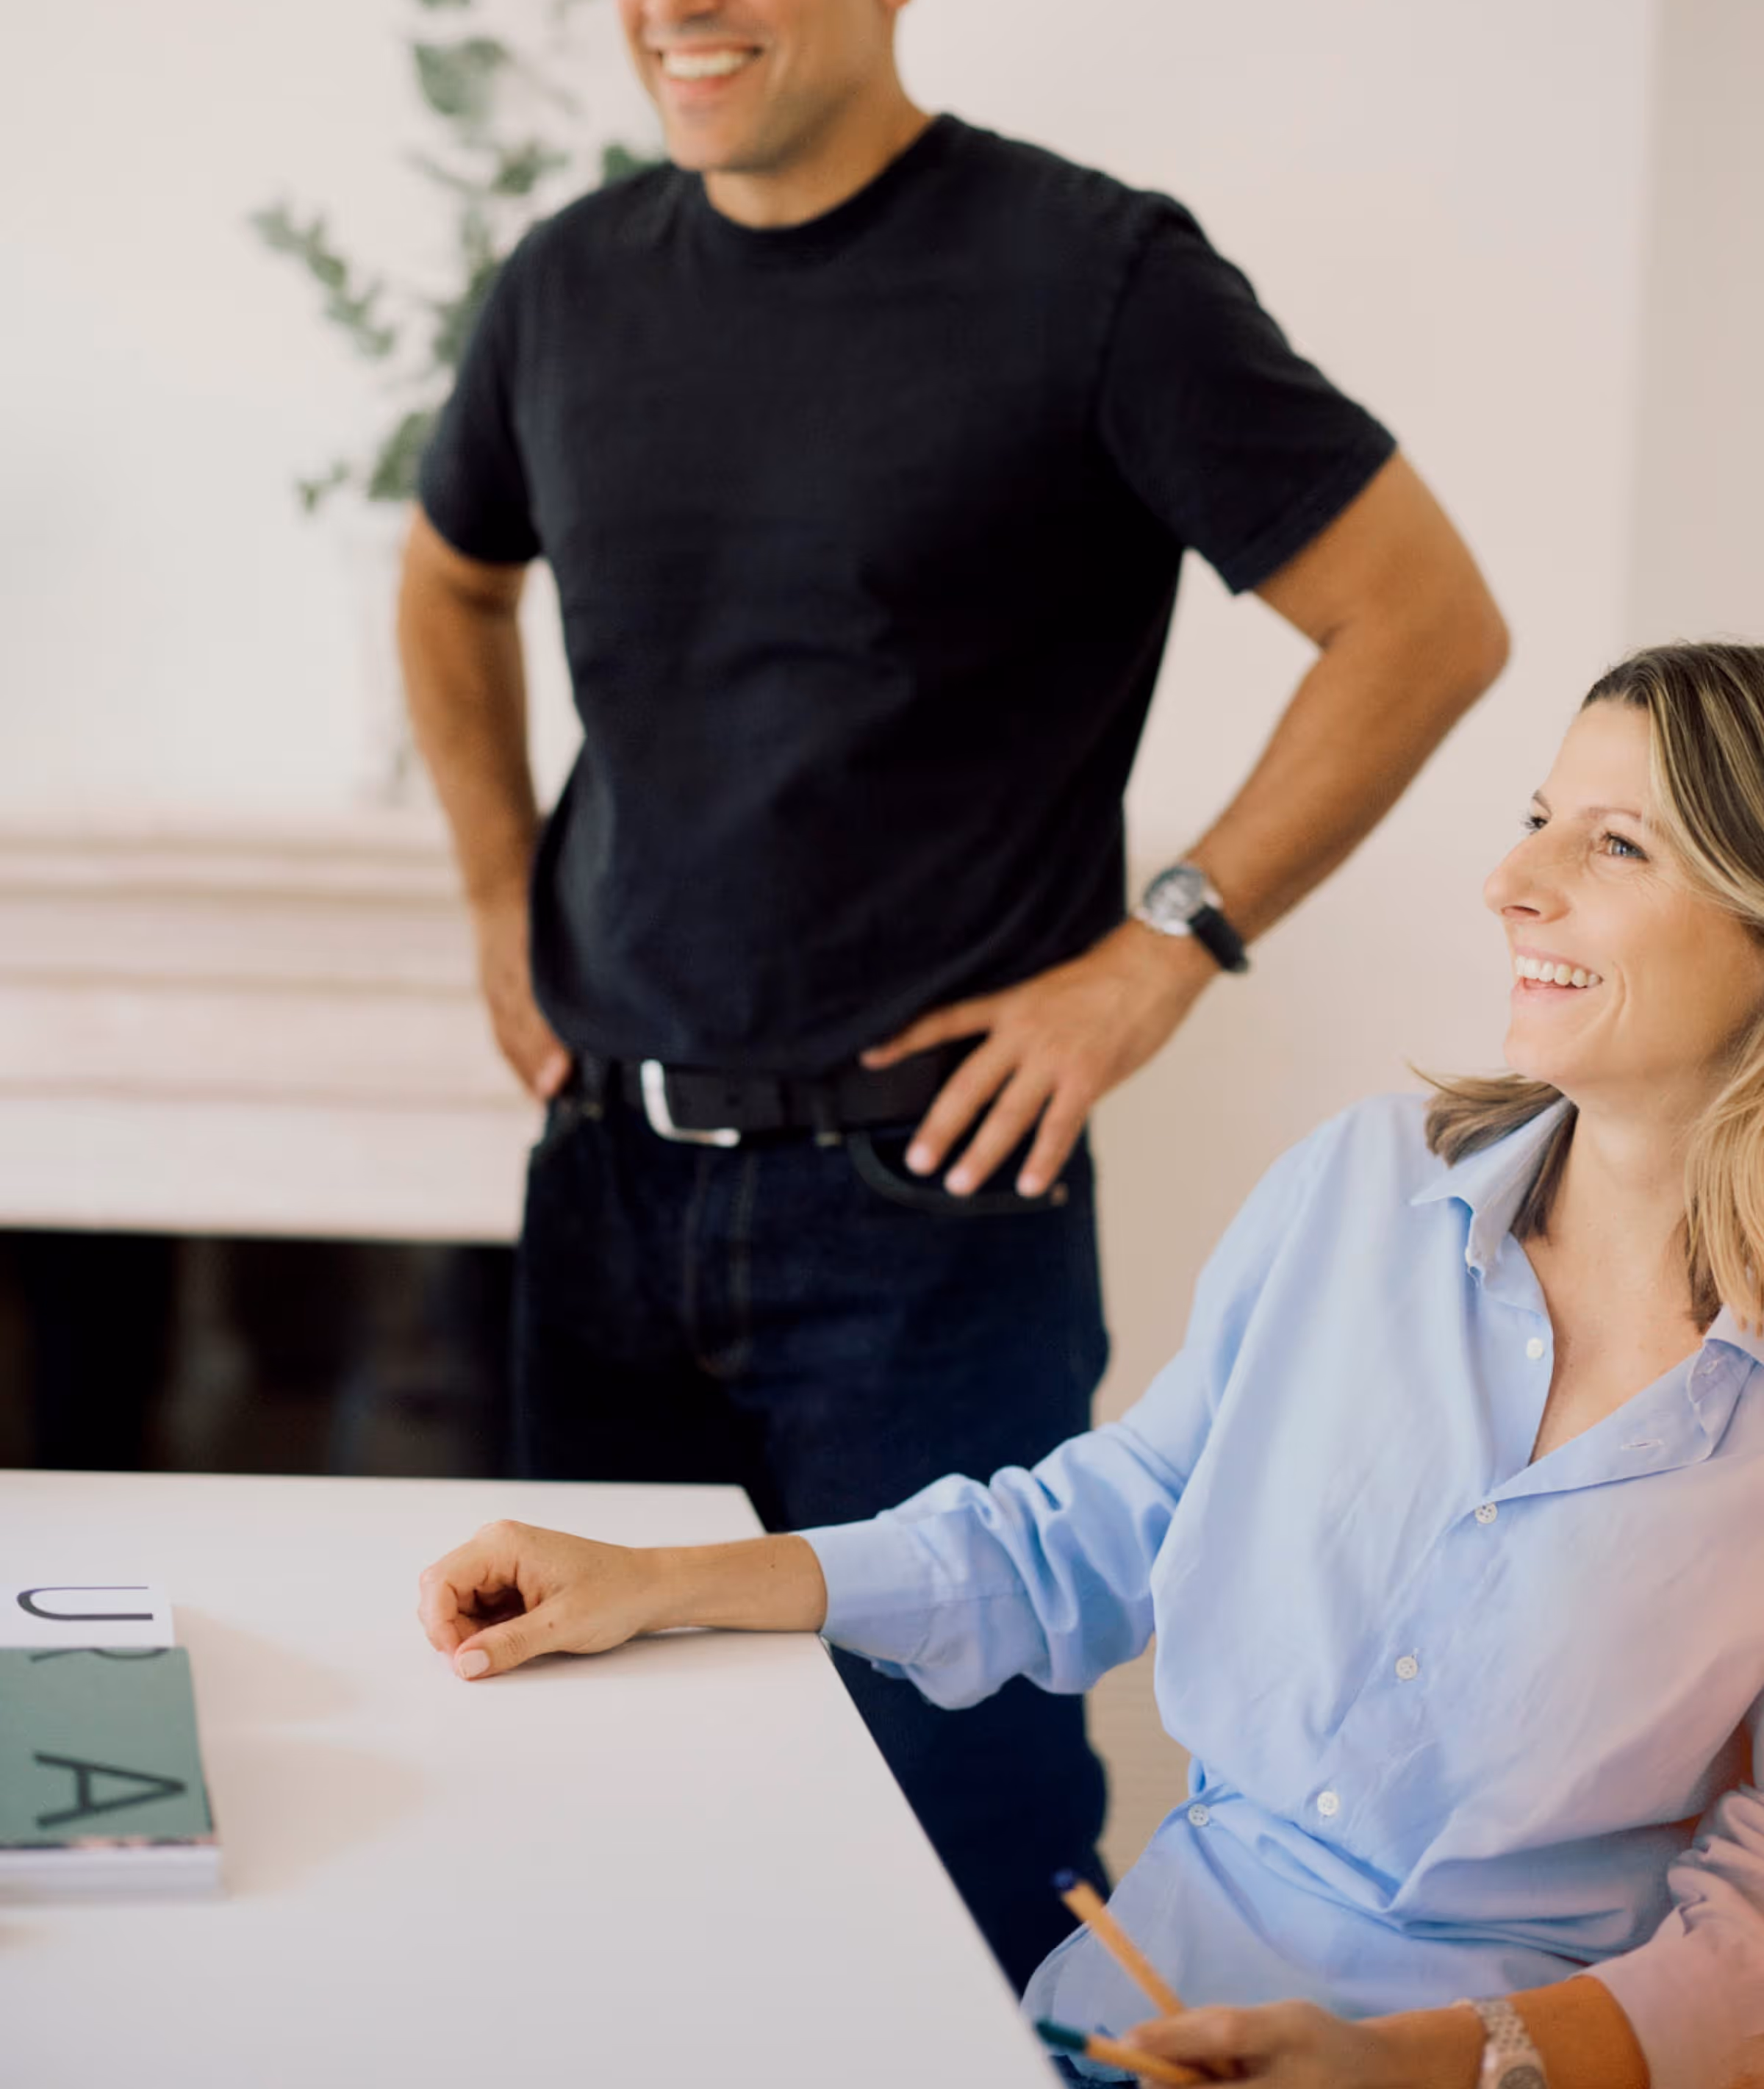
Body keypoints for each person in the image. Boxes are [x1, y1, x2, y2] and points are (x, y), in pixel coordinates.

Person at [397, 0, 1508, 1985]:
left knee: (952, 1846)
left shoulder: (1089, 279)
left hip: (927, 1207)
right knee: (584, 1803)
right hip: (606, 1182)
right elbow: (448, 573)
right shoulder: (572, 286)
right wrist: (502, 894)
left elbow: (1420, 617)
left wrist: (1166, 947)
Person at [417, 642, 1764, 2089]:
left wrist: (1409, 2066)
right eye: (1537, 815)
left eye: (1614, 843)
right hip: (1125, 2014)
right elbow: (1086, 1538)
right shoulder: (1363, 1191)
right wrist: (662, 1580)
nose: (1515, 882)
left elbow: (1746, 1956)